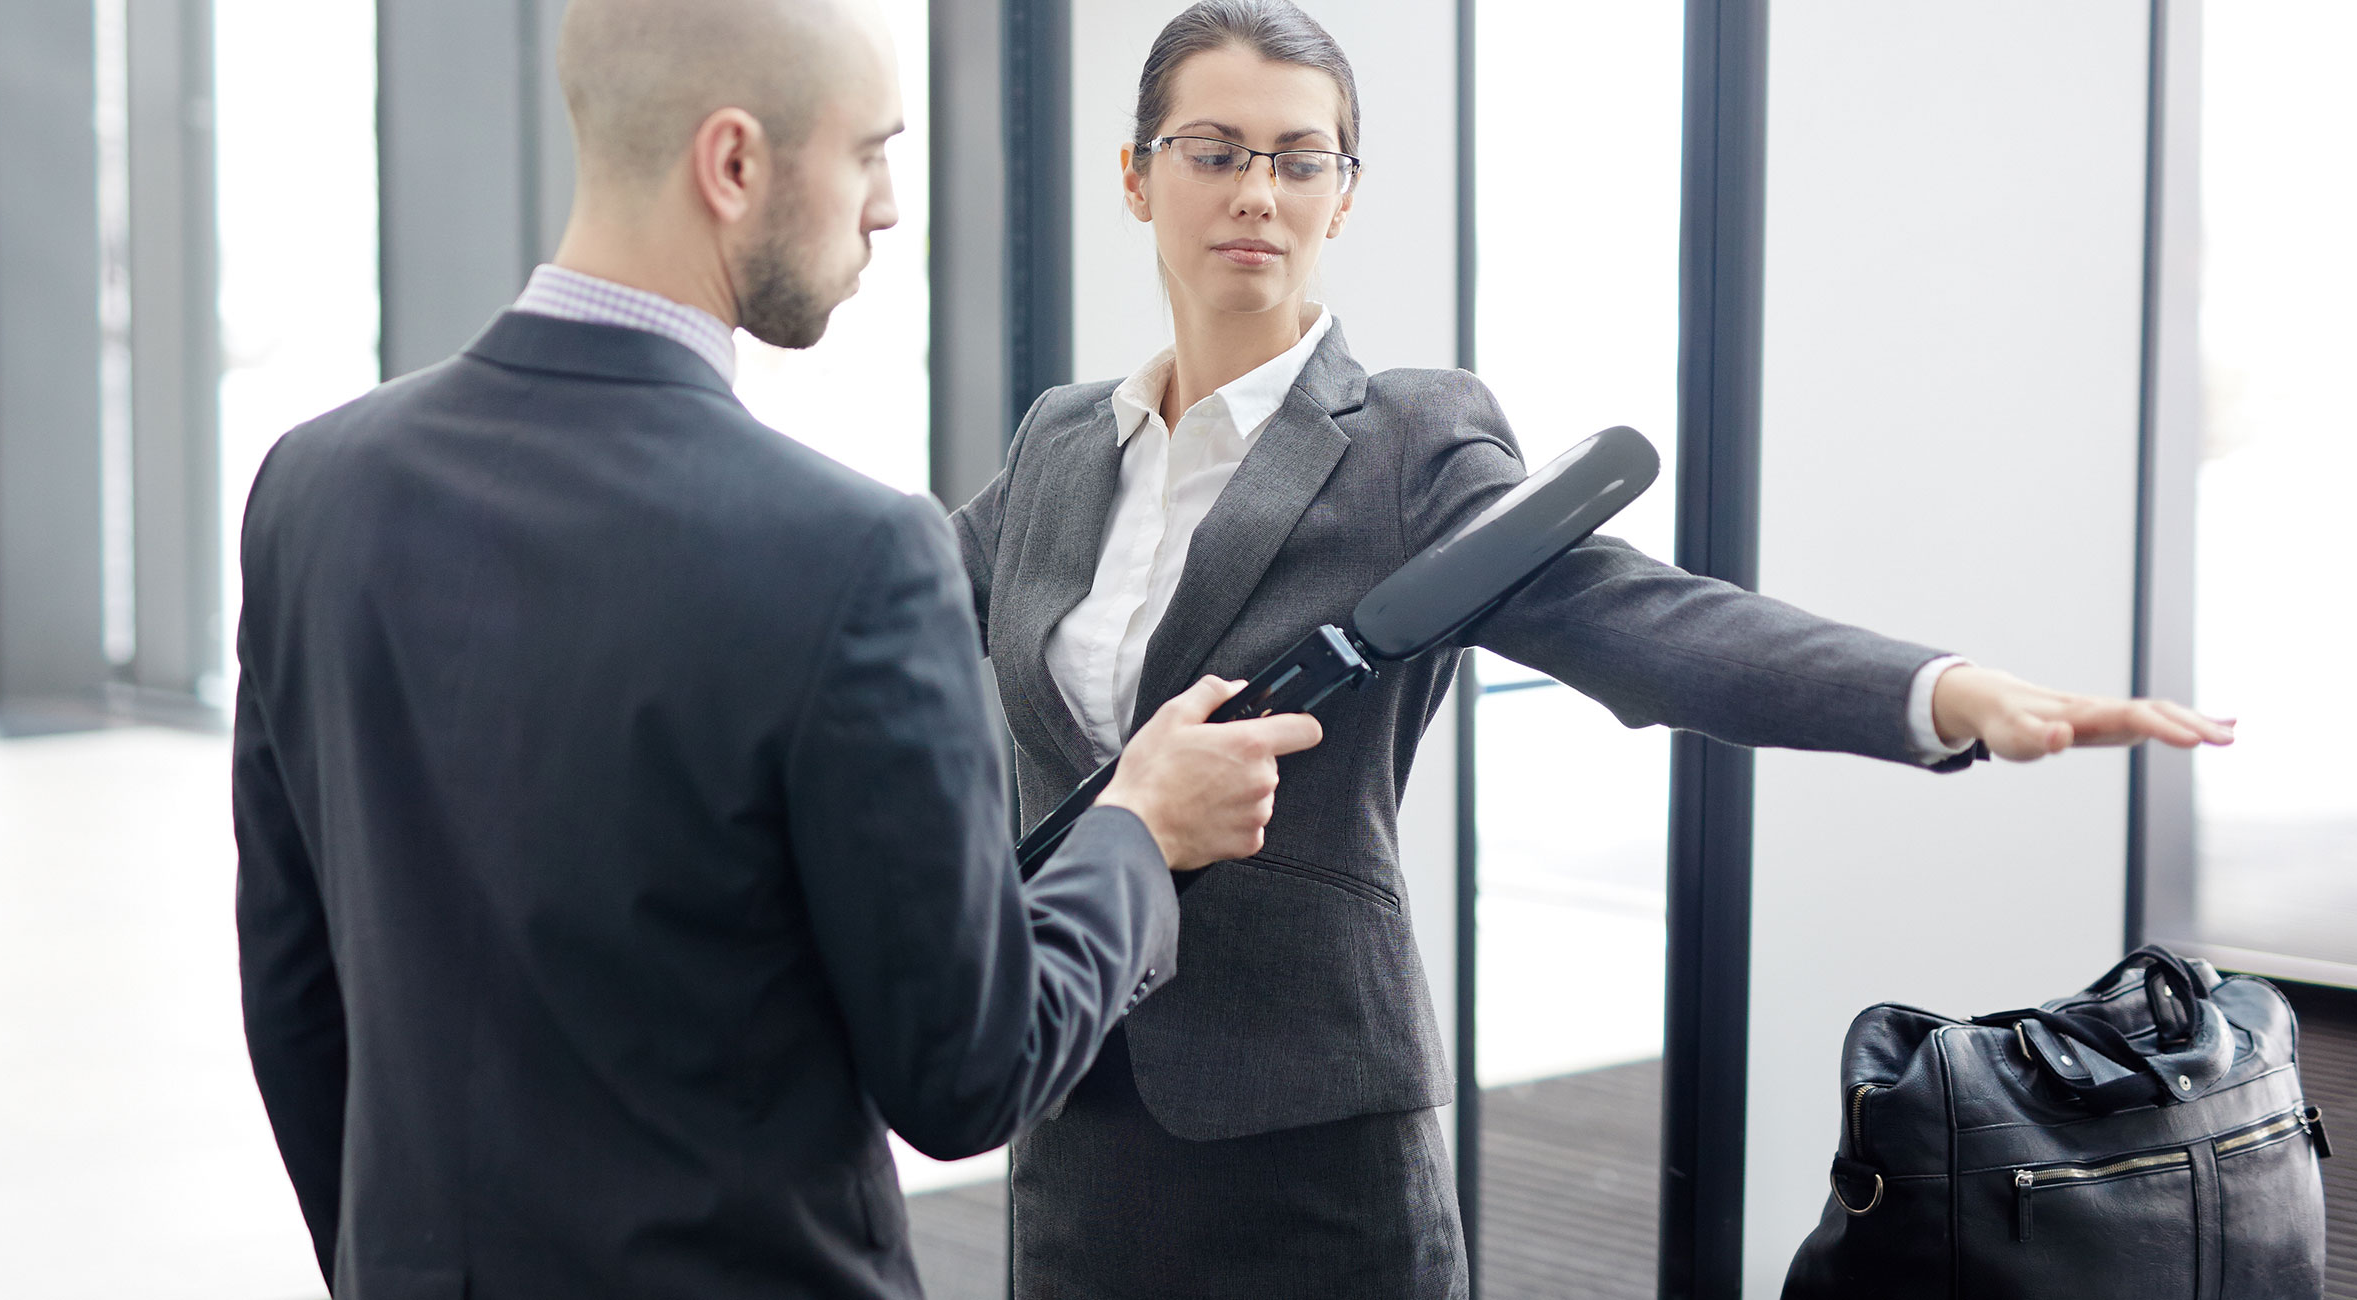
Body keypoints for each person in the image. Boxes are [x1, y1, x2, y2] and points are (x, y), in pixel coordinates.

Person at [949, 3, 2240, 1297]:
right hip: (1072, 1097)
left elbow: (1637, 616)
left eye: (1301, 159)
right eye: (1215, 150)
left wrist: (1935, 692)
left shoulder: (1405, 442)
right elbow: (893, 637)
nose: (1258, 194)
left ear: (1344, 197)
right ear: (1136, 176)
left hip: (1306, 1132)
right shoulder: (1065, 446)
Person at [231, 0, 1323, 1294]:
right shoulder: (853, 558)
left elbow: (295, 993)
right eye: (867, 153)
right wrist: (1138, 828)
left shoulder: (315, 491)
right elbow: (971, 1069)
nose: (886, 209)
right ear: (735, 164)